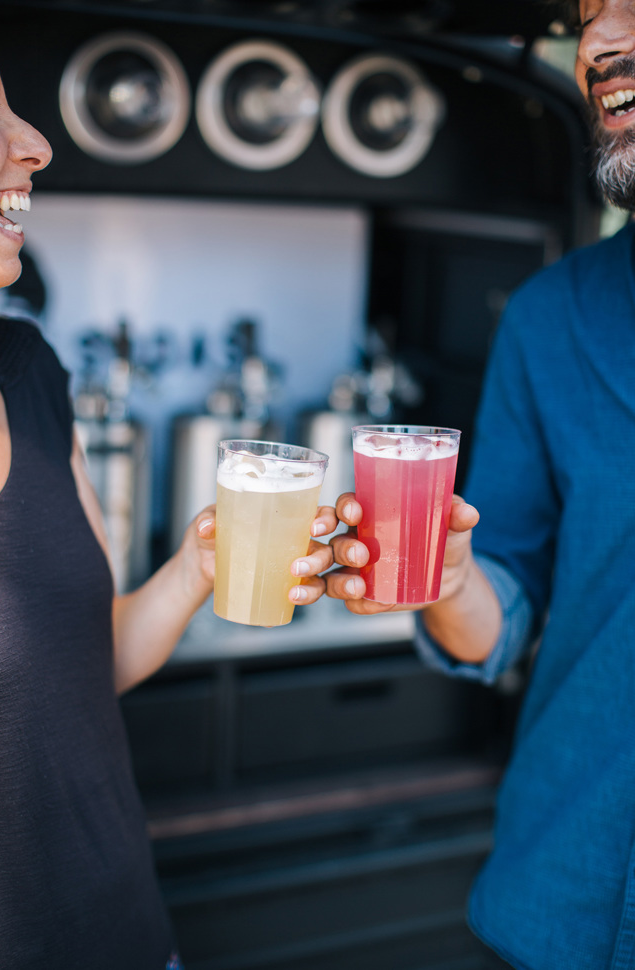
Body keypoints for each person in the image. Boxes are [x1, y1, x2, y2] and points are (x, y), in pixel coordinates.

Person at [0, 51, 337, 970]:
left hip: (128, 933)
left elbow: (82, 663)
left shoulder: (29, 371)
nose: (33, 142)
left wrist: (197, 567)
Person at [310, 1, 635, 967]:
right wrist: (450, 579)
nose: (599, 44)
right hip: (573, 888)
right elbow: (506, 606)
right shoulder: (550, 319)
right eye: (587, 14)